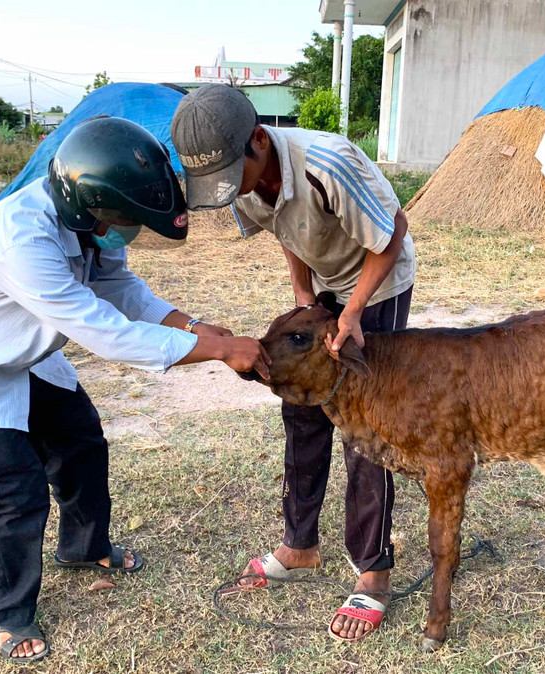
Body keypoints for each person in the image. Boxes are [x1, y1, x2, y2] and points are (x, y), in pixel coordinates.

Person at [0, 117, 271, 664]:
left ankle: (84, 548)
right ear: (91, 204)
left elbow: (120, 288)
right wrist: (218, 350)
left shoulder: (88, 220)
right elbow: (105, 331)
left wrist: (194, 326)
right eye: (123, 219)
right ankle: (10, 612)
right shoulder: (22, 240)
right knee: (15, 487)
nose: (127, 230)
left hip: (24, 349)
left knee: (82, 443)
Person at [172, 85, 415, 642]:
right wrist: (305, 297)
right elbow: (286, 230)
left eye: (236, 173)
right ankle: (300, 545)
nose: (234, 188)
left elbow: (393, 234)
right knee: (300, 405)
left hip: (376, 281)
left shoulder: (326, 166)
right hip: (326, 281)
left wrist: (352, 312)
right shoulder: (240, 181)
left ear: (259, 139)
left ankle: (373, 569)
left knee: (365, 426)